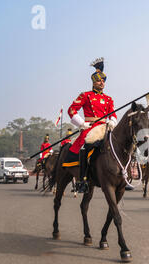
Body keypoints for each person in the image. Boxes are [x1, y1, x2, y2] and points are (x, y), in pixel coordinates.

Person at [65, 57, 118, 193]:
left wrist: (112, 121)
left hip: (105, 127)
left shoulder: (108, 99)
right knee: (85, 146)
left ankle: (123, 177)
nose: (102, 83)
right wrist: (81, 123)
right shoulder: (86, 95)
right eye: (99, 80)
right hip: (90, 127)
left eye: (103, 81)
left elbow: (113, 114)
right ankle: (82, 180)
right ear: (94, 82)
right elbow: (71, 110)